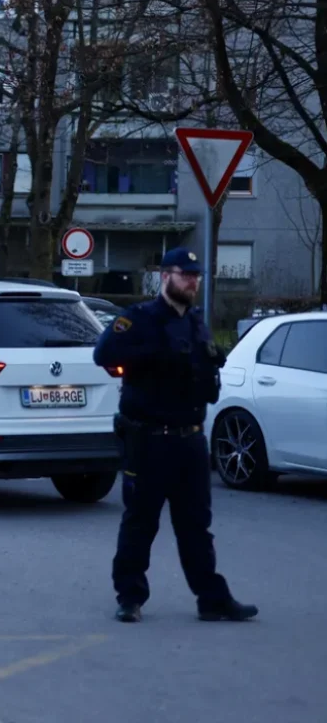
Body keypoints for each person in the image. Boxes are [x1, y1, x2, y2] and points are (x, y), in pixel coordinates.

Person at [93, 247, 257, 624]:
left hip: (191, 440)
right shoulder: (139, 318)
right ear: (165, 277)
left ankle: (211, 599)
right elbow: (104, 354)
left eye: (196, 276)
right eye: (186, 275)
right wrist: (155, 356)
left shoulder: (197, 322)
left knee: (196, 525)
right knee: (140, 523)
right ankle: (130, 597)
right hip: (150, 440)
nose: (192, 282)